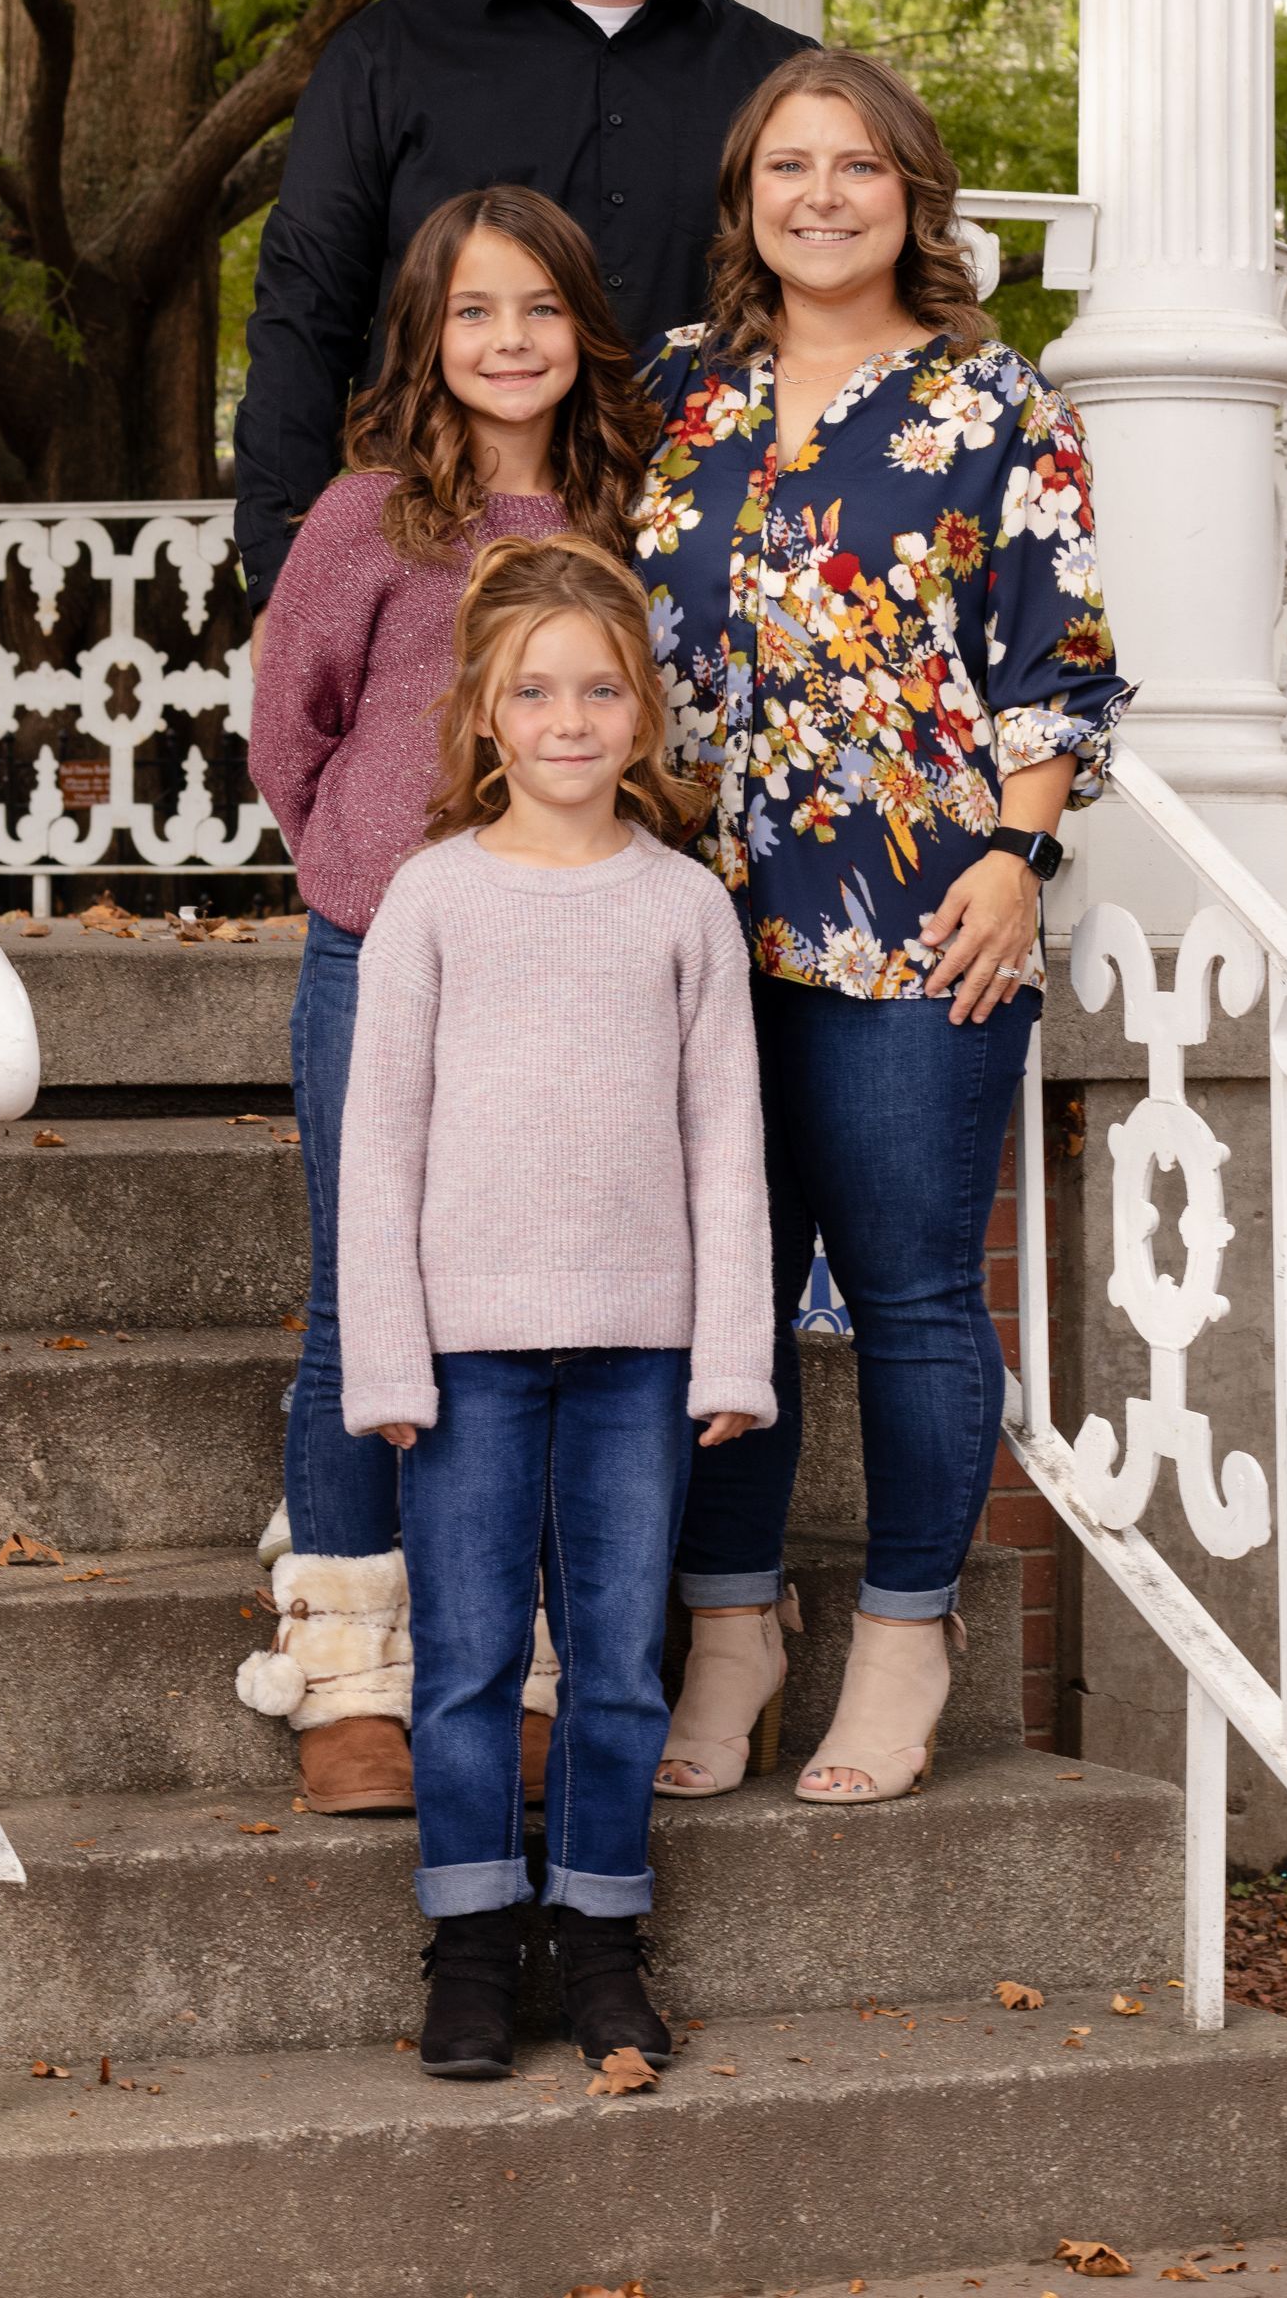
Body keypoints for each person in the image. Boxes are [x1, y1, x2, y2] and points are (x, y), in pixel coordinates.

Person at [633, 47, 1133, 1806]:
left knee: (916, 1293)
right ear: (745, 198)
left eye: (858, 165)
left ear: (917, 198)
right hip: (686, 925)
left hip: (925, 921)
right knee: (725, 1294)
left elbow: (1056, 662)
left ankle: (910, 1633)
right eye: (789, 165)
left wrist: (1021, 855)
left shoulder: (1003, 411)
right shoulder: (678, 394)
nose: (821, 194)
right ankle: (732, 1626)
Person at [235, 190, 657, 1815]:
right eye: (476, 313)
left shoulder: (621, 513)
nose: (508, 343)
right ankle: (346, 1677)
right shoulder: (366, 519)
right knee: (367, 1298)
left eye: (540, 309)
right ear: (428, 334)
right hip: (382, 953)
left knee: (538, 1306)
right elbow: (296, 731)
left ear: (580, 329)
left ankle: (522, 1662)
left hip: (573, 964)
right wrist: (364, 866)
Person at [335, 534, 776, 2078]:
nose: (570, 719)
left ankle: (597, 1939)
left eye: (601, 689)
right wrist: (386, 1351)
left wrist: (733, 1348)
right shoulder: (431, 898)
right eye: (537, 691)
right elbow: (376, 1143)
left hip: (640, 1356)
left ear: (643, 716)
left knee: (615, 1659)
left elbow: (728, 1146)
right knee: (461, 1659)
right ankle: (469, 1942)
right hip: (463, 1358)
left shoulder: (683, 909)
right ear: (484, 717)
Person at [234, 0, 809, 643]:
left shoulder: (780, 81)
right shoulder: (387, 57)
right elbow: (303, 320)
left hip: (719, 582)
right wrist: (282, 578)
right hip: (435, 576)